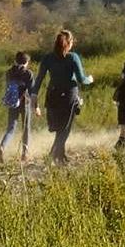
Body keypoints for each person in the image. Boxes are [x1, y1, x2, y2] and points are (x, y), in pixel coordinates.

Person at [35, 30, 91, 166]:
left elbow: (39, 79)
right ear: (69, 43)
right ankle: (53, 155)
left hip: (53, 95)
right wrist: (89, 79)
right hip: (69, 95)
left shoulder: (48, 58)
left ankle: (61, 155)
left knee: (59, 127)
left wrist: (34, 97)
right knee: (64, 129)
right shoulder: (72, 57)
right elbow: (81, 79)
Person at [0, 52, 34, 163]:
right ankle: (25, 153)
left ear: (15, 61)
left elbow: (8, 87)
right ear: (27, 62)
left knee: (11, 128)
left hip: (12, 102)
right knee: (26, 127)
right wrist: (36, 106)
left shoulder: (9, 72)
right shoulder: (28, 73)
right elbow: (32, 91)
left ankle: (2, 147)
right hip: (25, 103)